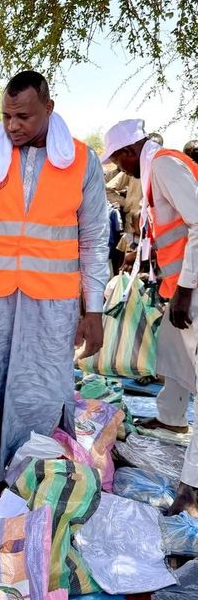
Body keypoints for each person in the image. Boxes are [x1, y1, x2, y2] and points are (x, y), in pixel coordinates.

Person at [0, 70, 109, 514]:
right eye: (7, 115)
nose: (13, 126)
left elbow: (93, 239)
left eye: (24, 116)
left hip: (52, 303)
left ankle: (28, 486)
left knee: (39, 392)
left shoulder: (82, 162)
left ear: (49, 109)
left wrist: (95, 308)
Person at [101, 118, 198, 516]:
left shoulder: (162, 166)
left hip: (193, 288)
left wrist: (186, 290)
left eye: (117, 161)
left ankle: (192, 487)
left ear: (127, 153)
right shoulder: (155, 169)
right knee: (173, 359)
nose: (120, 169)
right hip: (179, 286)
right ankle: (172, 418)